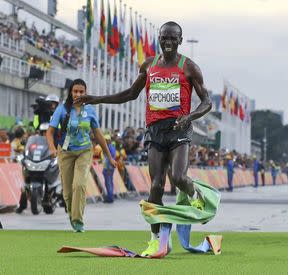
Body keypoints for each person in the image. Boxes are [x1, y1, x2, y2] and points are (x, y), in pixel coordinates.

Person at [74, 22, 212, 255]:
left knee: (178, 177)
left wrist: (189, 117)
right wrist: (96, 99)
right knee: (156, 186)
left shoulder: (189, 67)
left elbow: (207, 102)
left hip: (179, 130)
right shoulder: (148, 65)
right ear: (159, 39)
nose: (167, 43)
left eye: (172, 38)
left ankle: (195, 196)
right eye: (163, 38)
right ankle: (155, 238)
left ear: (180, 40)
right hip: (155, 131)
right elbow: (129, 94)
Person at [46, 79, 116, 233]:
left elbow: (97, 134)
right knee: (68, 191)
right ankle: (73, 215)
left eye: (81, 91)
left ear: (85, 92)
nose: (78, 94)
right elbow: (49, 132)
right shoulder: (62, 109)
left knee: (79, 185)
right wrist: (52, 148)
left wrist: (109, 157)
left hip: (84, 151)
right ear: (71, 92)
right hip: (65, 152)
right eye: (75, 91)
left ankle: (78, 221)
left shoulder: (90, 109)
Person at [102, 134, 116, 203]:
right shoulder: (108, 147)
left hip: (108, 168)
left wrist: (107, 167)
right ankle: (109, 196)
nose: (105, 141)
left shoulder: (110, 148)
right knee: (109, 182)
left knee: (108, 182)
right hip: (108, 167)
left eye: (106, 140)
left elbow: (111, 158)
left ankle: (110, 197)